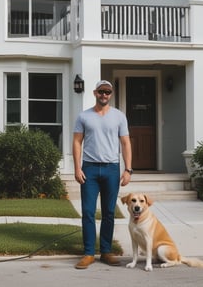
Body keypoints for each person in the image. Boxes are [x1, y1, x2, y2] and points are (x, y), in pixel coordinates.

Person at [73, 79, 133, 269]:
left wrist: (128, 169)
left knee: (109, 212)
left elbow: (125, 143)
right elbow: (76, 142)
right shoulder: (84, 116)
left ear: (111, 94)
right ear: (95, 93)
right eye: (101, 92)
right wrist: (77, 168)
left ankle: (106, 251)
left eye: (107, 92)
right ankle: (89, 253)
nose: (104, 95)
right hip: (89, 169)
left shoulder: (119, 116)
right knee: (88, 212)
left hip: (111, 169)